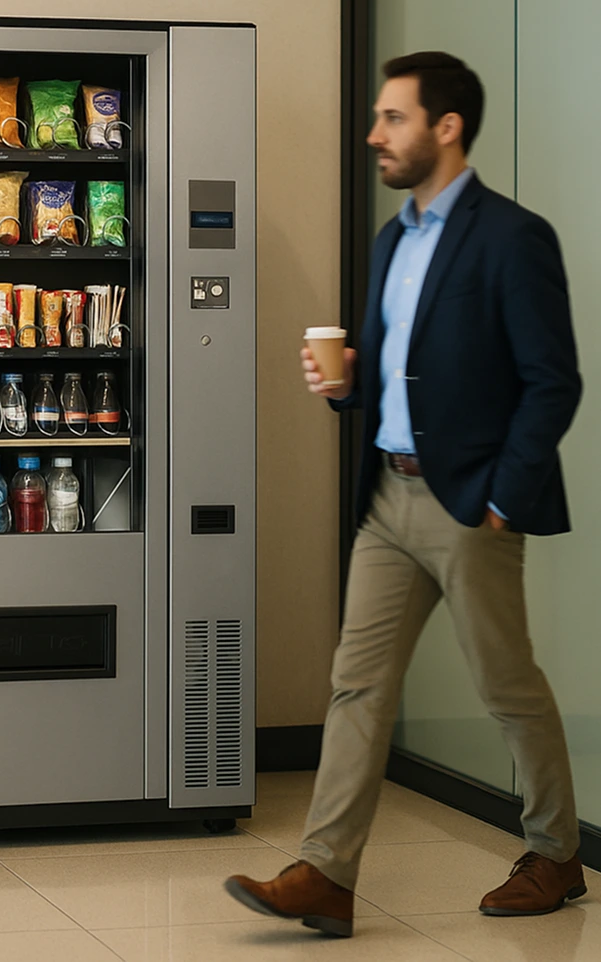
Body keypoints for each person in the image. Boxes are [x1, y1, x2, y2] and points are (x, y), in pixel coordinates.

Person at [226, 52, 585, 937]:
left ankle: (555, 852)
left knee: (505, 686)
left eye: (391, 118)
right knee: (355, 686)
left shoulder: (511, 236)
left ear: (445, 127)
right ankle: (325, 873)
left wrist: (504, 496)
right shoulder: (392, 238)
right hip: (387, 498)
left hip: (470, 504)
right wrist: (346, 387)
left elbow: (553, 382)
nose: (373, 135)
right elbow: (401, 372)